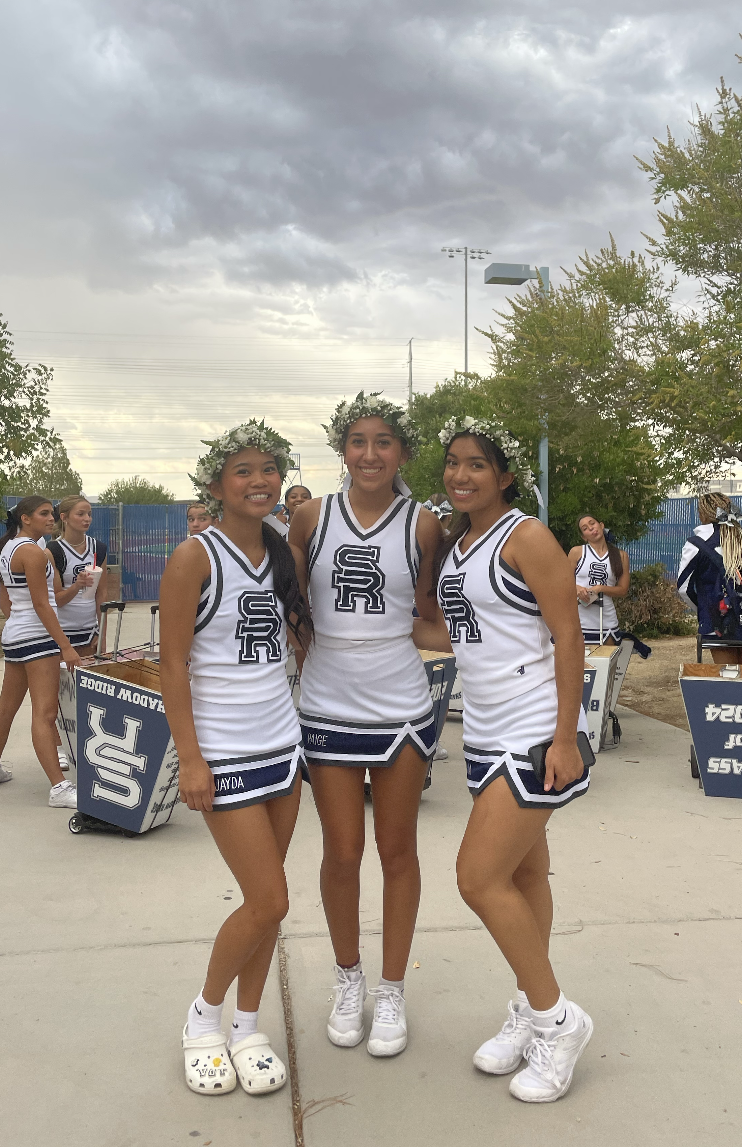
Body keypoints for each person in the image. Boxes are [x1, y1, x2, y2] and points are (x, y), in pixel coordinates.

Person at [412, 415, 592, 1103]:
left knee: (476, 876)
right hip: (483, 730)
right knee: (523, 872)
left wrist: (567, 735)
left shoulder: (528, 536)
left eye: (477, 464)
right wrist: (365, 620)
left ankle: (557, 1020)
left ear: (506, 475)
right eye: (454, 462)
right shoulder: (462, 546)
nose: (461, 474)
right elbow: (456, 636)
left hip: (532, 728)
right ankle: (528, 1005)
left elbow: (567, 631)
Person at [162, 422, 312, 1097]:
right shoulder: (194, 556)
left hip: (283, 744)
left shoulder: (283, 556)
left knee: (271, 904)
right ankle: (203, 1017)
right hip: (223, 751)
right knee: (268, 895)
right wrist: (190, 758)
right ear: (216, 485)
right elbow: (172, 663)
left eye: (270, 468)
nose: (260, 480)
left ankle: (248, 1026)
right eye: (245, 470)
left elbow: (294, 648)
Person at [290, 391, 441, 1058]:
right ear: (341, 450)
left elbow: (433, 610)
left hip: (401, 701)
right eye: (358, 441)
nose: (370, 453)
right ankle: (347, 978)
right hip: (326, 701)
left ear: (402, 452)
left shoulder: (425, 522)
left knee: (398, 849)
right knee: (342, 851)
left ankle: (393, 989)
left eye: (384, 442)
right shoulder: (309, 516)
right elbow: (294, 608)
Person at [0, 497, 81, 806]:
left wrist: (12, 617)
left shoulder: (8, 548)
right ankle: (59, 788)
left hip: (18, 635)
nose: (51, 518)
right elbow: (42, 603)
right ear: (26, 518)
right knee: (45, 714)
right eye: (44, 514)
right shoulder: (32, 552)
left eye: (51, 513)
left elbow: (9, 594)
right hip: (37, 638)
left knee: (6, 709)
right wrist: (65, 646)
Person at [677, 491, 742, 664]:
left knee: (729, 680)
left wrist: (703, 608)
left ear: (703, 514)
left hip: (717, 621)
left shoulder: (696, 543)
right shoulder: (739, 536)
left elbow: (684, 588)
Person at [47, 495, 108, 657]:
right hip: (62, 631)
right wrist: (77, 585)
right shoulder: (53, 551)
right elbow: (57, 600)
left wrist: (102, 634)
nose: (87, 519)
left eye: (89, 514)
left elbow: (101, 595)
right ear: (64, 517)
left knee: (86, 680)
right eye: (80, 514)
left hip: (89, 631)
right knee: (63, 681)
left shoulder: (98, 549)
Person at [568, 514, 630, 645]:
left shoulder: (621, 556)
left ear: (601, 525)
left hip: (607, 622)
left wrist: (600, 588)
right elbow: (563, 581)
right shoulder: (577, 552)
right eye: (585, 528)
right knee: (582, 665)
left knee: (606, 664)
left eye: (592, 523)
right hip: (580, 621)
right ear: (583, 537)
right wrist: (577, 588)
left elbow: (623, 590)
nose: (591, 528)